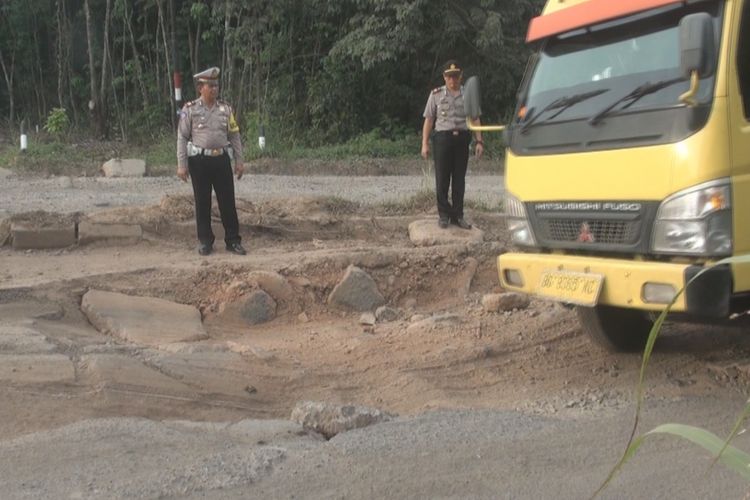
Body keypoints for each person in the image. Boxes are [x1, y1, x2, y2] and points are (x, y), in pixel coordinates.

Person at [177, 66, 246, 256]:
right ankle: (205, 241)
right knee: (202, 202)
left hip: (221, 160)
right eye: (210, 86)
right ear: (201, 88)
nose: (214, 89)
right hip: (199, 161)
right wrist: (182, 165)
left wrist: (239, 161)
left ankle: (233, 240)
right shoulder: (190, 109)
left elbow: (234, 135)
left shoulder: (225, 109)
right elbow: (182, 137)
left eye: (216, 85)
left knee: (227, 202)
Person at [421, 60, 483, 229]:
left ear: (460, 76)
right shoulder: (436, 94)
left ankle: (458, 215)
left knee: (459, 180)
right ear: (444, 77)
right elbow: (429, 120)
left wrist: (479, 141)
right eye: (449, 77)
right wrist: (424, 144)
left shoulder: (468, 95)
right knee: (442, 179)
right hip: (442, 139)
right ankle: (443, 215)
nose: (452, 80)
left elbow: (475, 118)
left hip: (462, 139)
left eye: (455, 77)